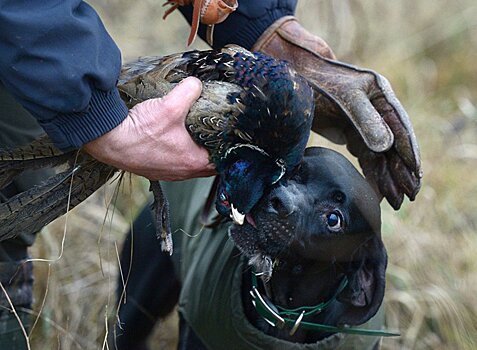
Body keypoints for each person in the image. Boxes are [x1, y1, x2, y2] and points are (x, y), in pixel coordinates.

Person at [0, 0, 421, 348]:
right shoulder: (213, 283)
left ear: (363, 284)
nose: (283, 197)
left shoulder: (359, 323)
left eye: (333, 219)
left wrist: (261, 26)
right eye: (292, 175)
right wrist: (94, 114)